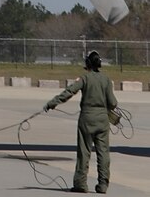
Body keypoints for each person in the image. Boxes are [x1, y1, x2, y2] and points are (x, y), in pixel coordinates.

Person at [44, 51, 118, 194]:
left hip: (86, 119)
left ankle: (81, 184)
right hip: (103, 120)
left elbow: (69, 92)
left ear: (87, 64)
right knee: (103, 153)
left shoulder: (84, 79)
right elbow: (113, 103)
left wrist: (52, 103)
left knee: (84, 152)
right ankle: (103, 185)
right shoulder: (106, 80)